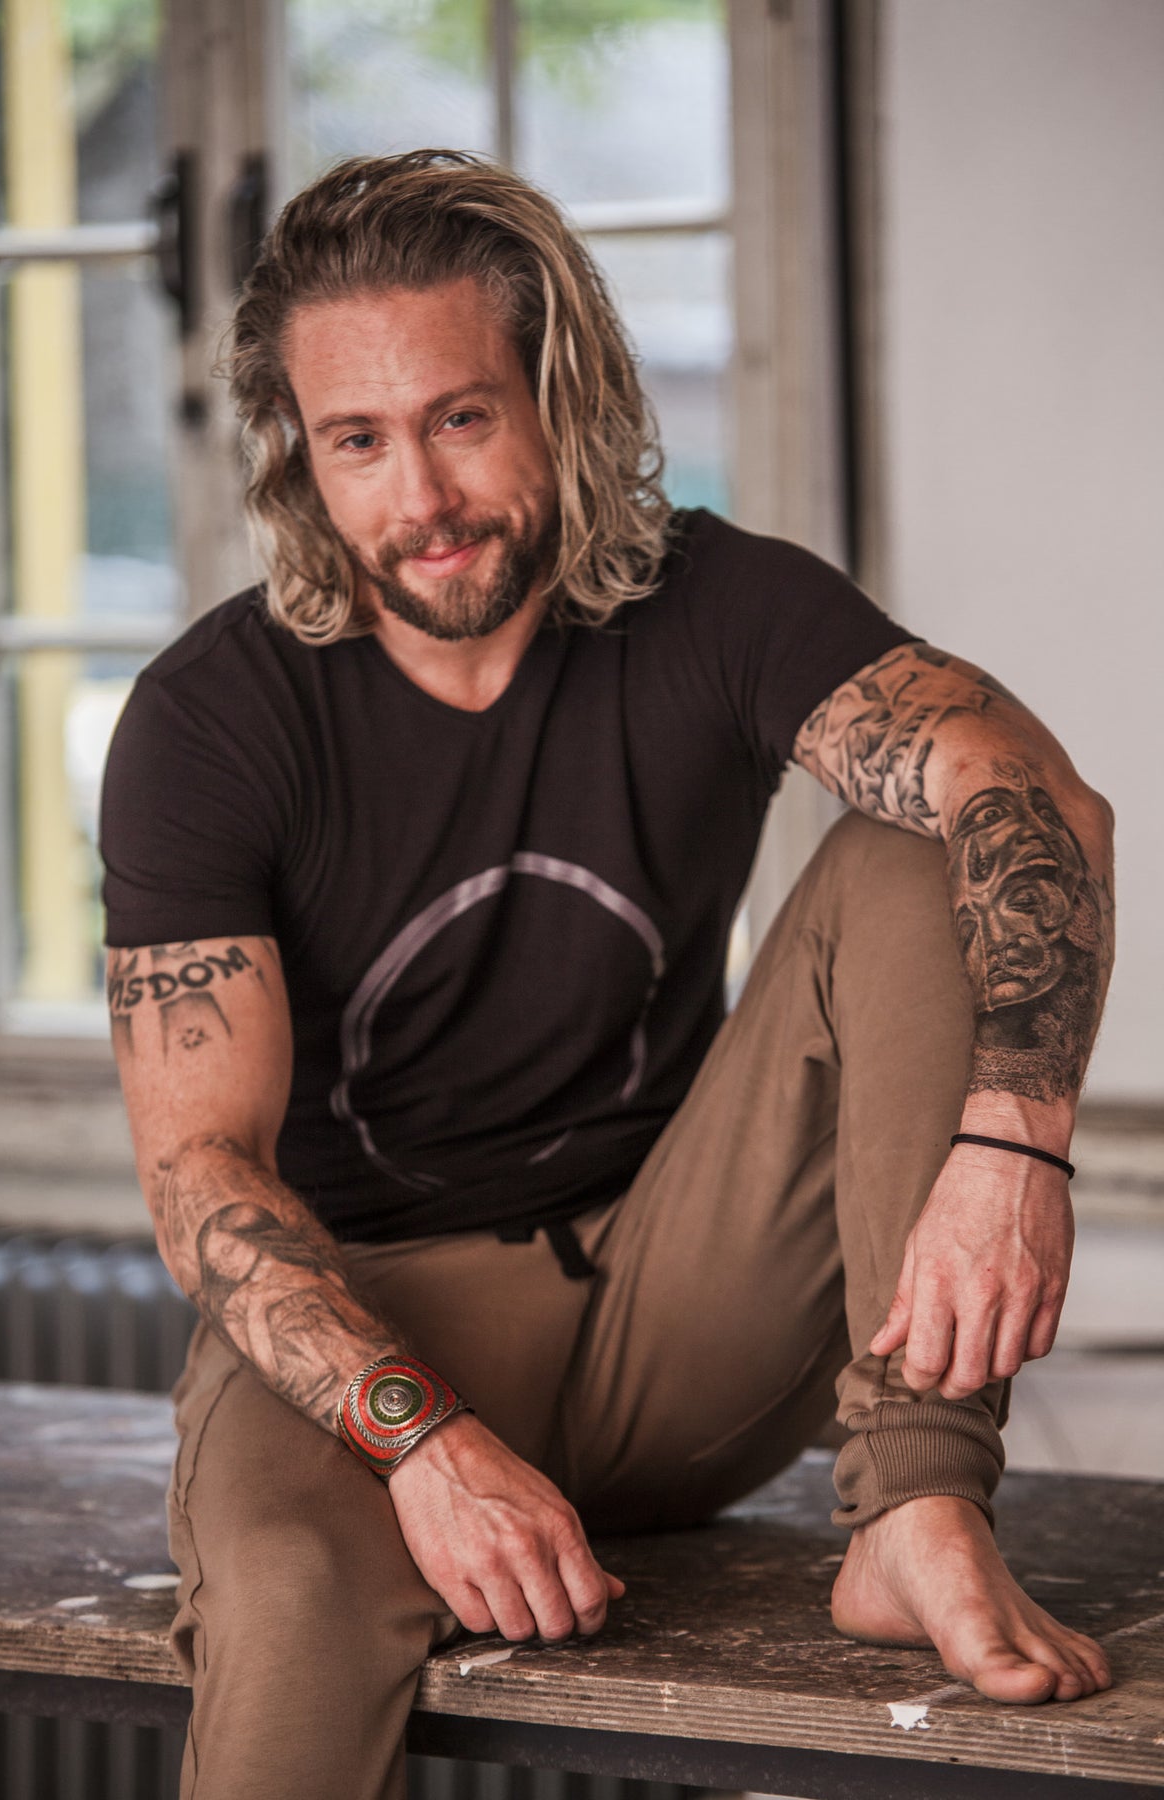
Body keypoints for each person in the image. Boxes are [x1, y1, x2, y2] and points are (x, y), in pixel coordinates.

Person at [100, 149, 1116, 1800]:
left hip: (679, 1305)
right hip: (371, 1340)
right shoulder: (211, 719)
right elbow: (201, 1170)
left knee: (924, 844)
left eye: (462, 418)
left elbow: (1038, 795)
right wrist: (426, 1444)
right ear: (298, 454)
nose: (420, 497)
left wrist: (1019, 1145)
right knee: (282, 1598)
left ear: (560, 397)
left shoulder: (714, 602)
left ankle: (918, 1506)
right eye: (358, 440)